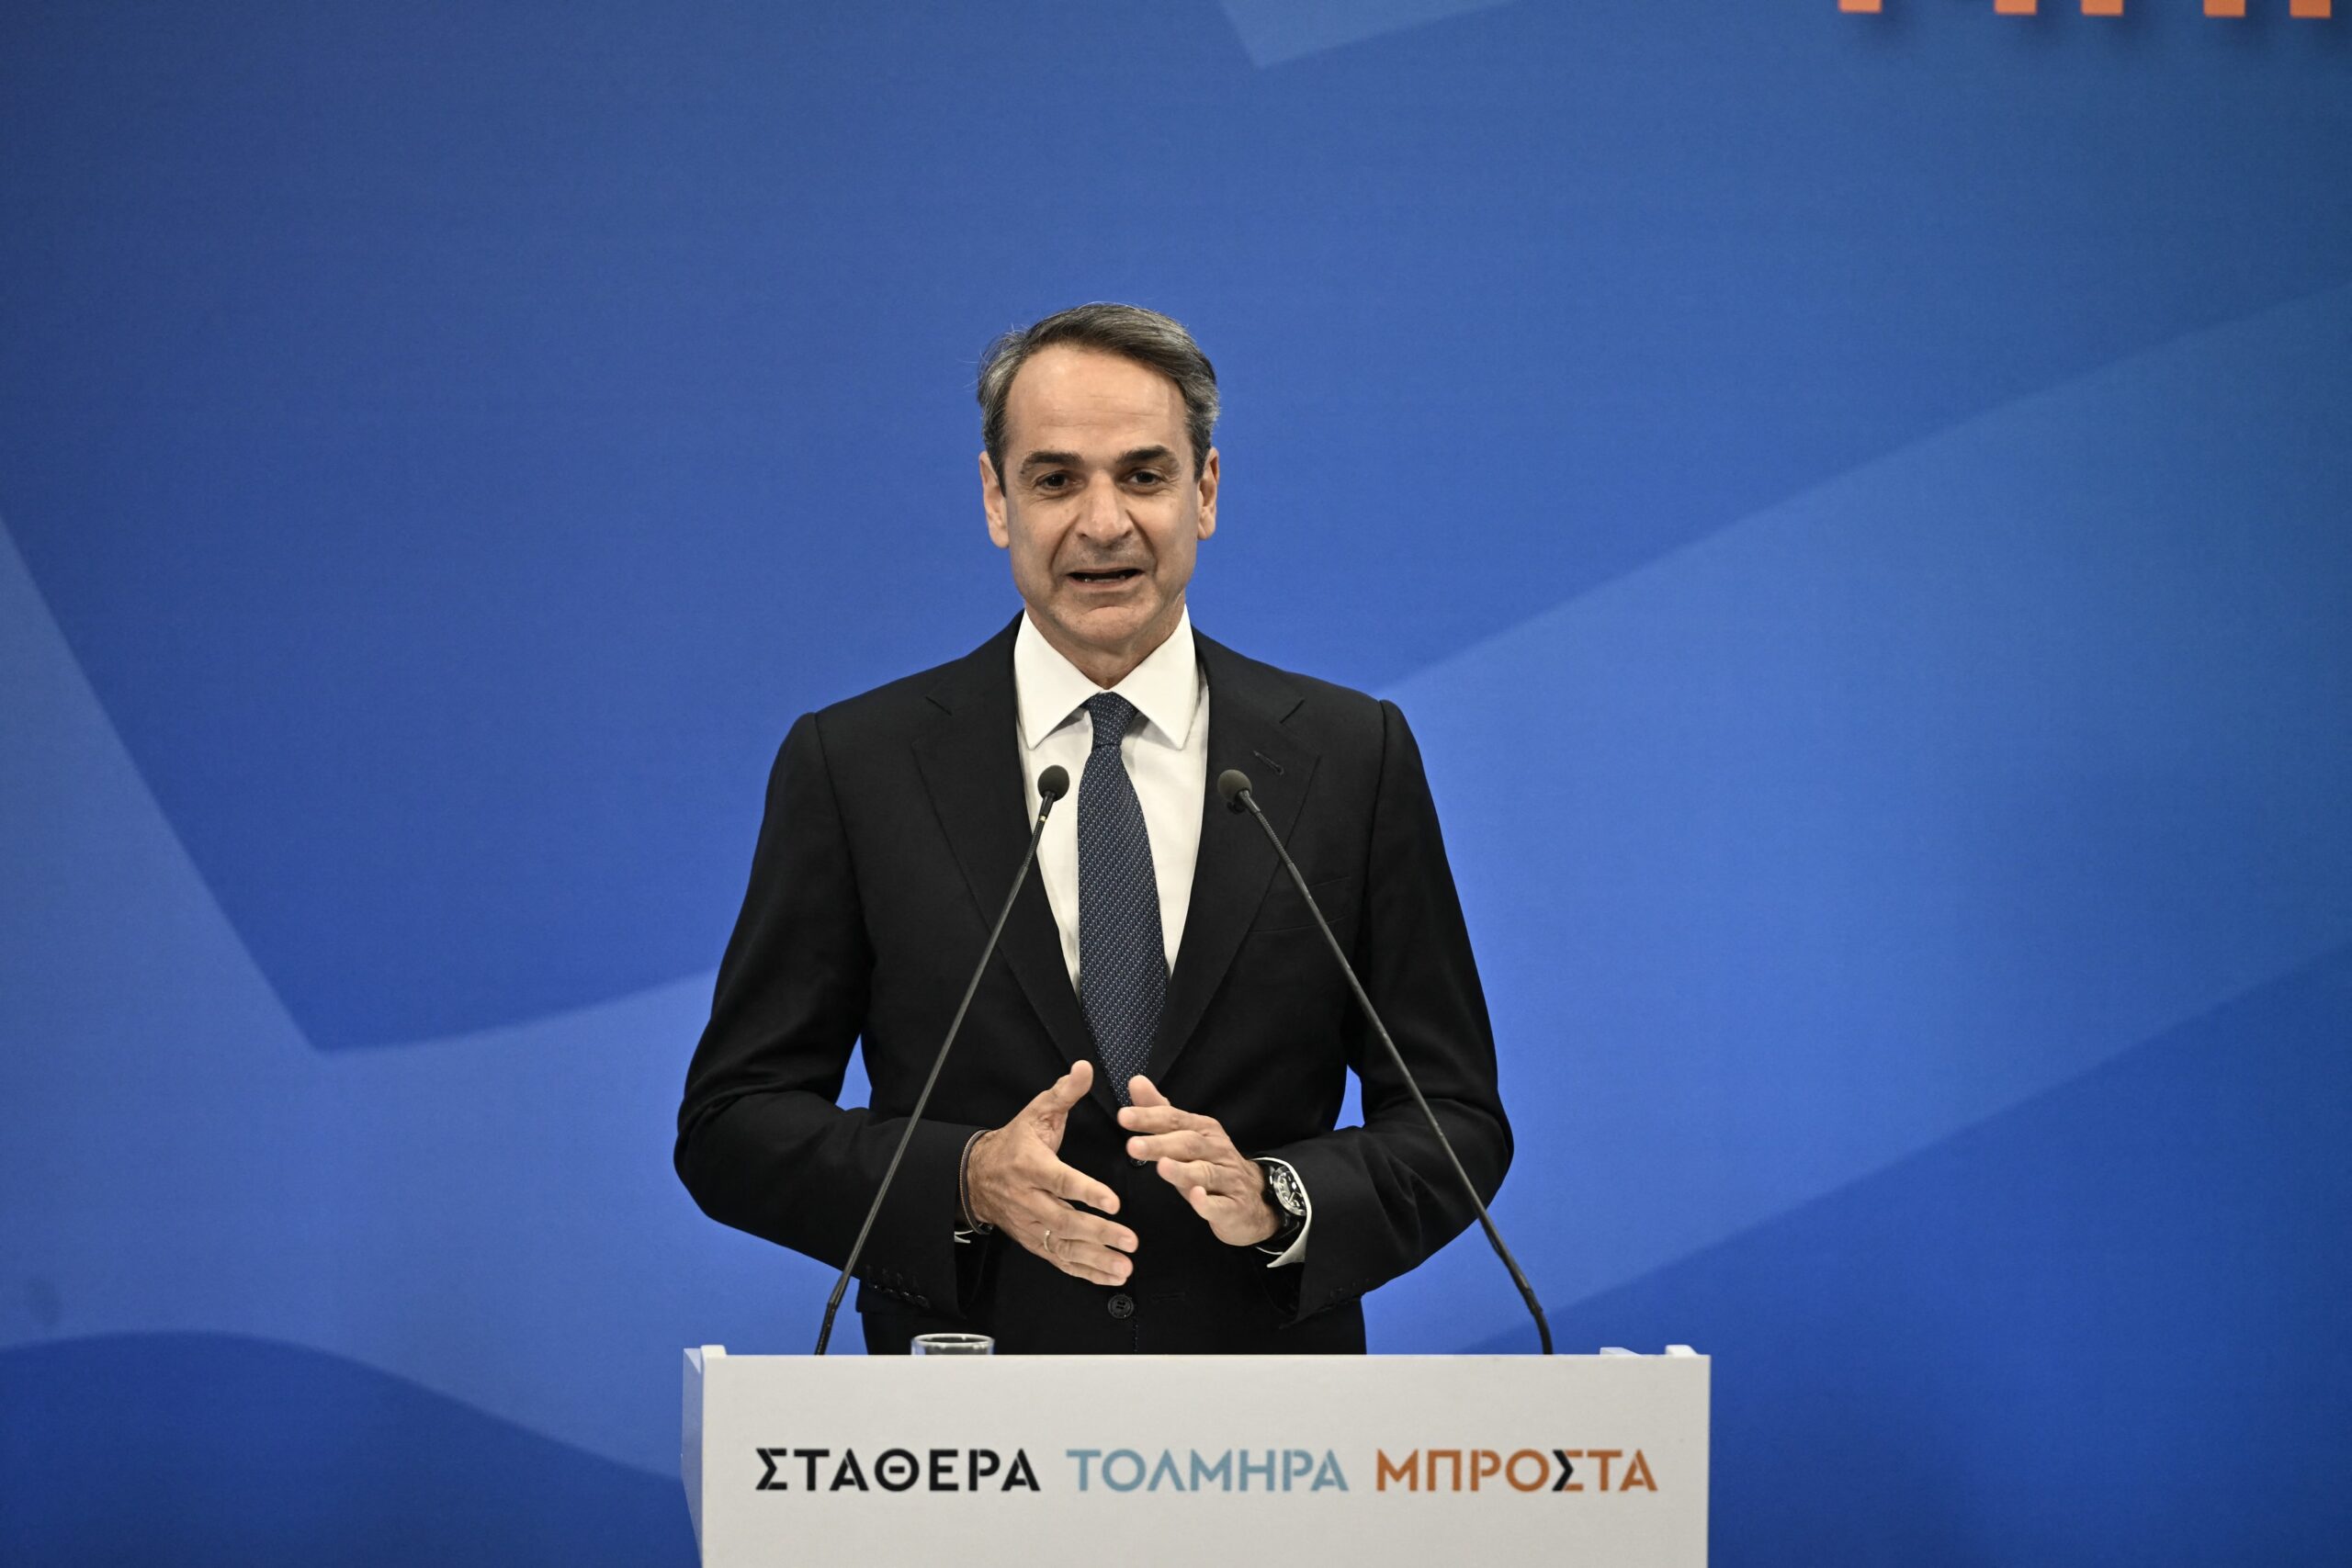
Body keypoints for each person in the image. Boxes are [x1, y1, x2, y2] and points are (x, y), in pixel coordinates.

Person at [675, 303, 1509, 1353]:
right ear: (997, 500)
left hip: (1268, 1421)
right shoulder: (856, 766)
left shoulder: (1350, 758)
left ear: (1206, 493)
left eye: (1144, 476)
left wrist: (1280, 1198)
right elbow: (733, 1123)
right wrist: (965, 1177)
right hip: (968, 1416)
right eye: (1056, 480)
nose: (1103, 522)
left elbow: (1454, 1117)